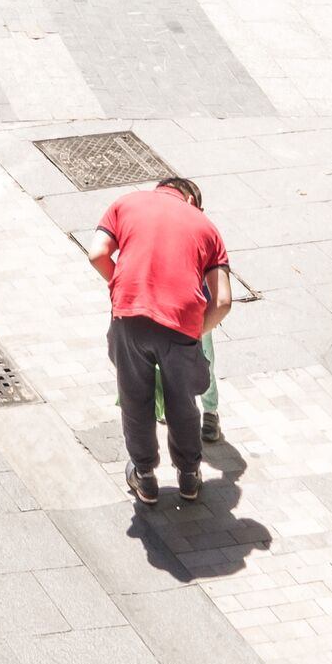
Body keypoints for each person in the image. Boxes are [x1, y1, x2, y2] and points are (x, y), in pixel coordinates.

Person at [87, 171, 231, 507]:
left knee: (135, 399)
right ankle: (189, 477)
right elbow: (223, 300)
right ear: (192, 201)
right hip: (180, 323)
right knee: (182, 402)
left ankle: (145, 477)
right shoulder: (205, 227)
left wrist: (119, 287)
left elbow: (96, 254)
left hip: (129, 317)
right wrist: (195, 330)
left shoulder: (125, 204)